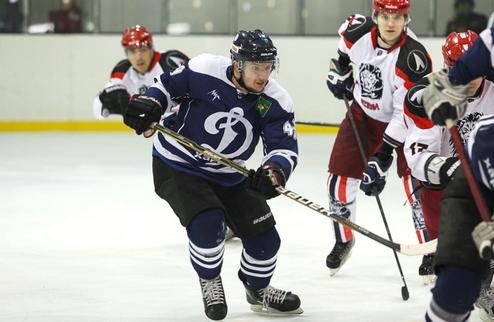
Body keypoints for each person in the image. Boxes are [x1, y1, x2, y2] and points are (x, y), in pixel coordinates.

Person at [122, 29, 302, 320]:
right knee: (208, 225)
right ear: (237, 63)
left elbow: (283, 146)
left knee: (266, 238)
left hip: (229, 173)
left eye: (268, 67)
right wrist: (152, 104)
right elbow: (166, 88)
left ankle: (258, 289)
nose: (263, 75)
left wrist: (274, 172)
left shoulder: (275, 100)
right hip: (178, 164)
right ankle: (210, 280)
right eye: (256, 67)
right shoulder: (204, 68)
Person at [325, 0, 432, 276]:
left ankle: (430, 248)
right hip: (363, 114)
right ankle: (344, 239)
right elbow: (342, 55)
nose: (390, 23)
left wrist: (381, 157)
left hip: (408, 123)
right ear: (376, 16)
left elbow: (404, 114)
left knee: (418, 181)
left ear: (407, 19)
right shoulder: (355, 32)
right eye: (384, 16)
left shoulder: (413, 58)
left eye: (398, 17)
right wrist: (340, 74)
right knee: (338, 178)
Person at [402, 30, 494, 285]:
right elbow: (416, 155)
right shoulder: (430, 96)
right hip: (441, 184)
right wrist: (452, 168)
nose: (472, 79)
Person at [92, 25, 189, 120]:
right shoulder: (121, 70)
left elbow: (199, 85)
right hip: (158, 129)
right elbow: (99, 110)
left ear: (151, 48)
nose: (138, 57)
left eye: (143, 50)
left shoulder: (171, 60)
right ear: (126, 54)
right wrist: (108, 102)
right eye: (132, 51)